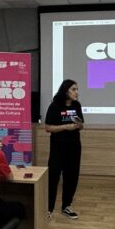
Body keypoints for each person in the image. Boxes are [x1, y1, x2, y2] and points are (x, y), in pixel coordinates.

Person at [44, 79, 83, 219]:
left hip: (74, 146)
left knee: (72, 177)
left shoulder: (77, 105)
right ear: (66, 90)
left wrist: (78, 125)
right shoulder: (54, 106)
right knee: (53, 177)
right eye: (74, 89)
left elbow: (81, 124)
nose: (76, 92)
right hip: (58, 147)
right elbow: (48, 128)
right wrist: (65, 127)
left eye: (77, 89)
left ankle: (66, 206)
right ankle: (48, 208)